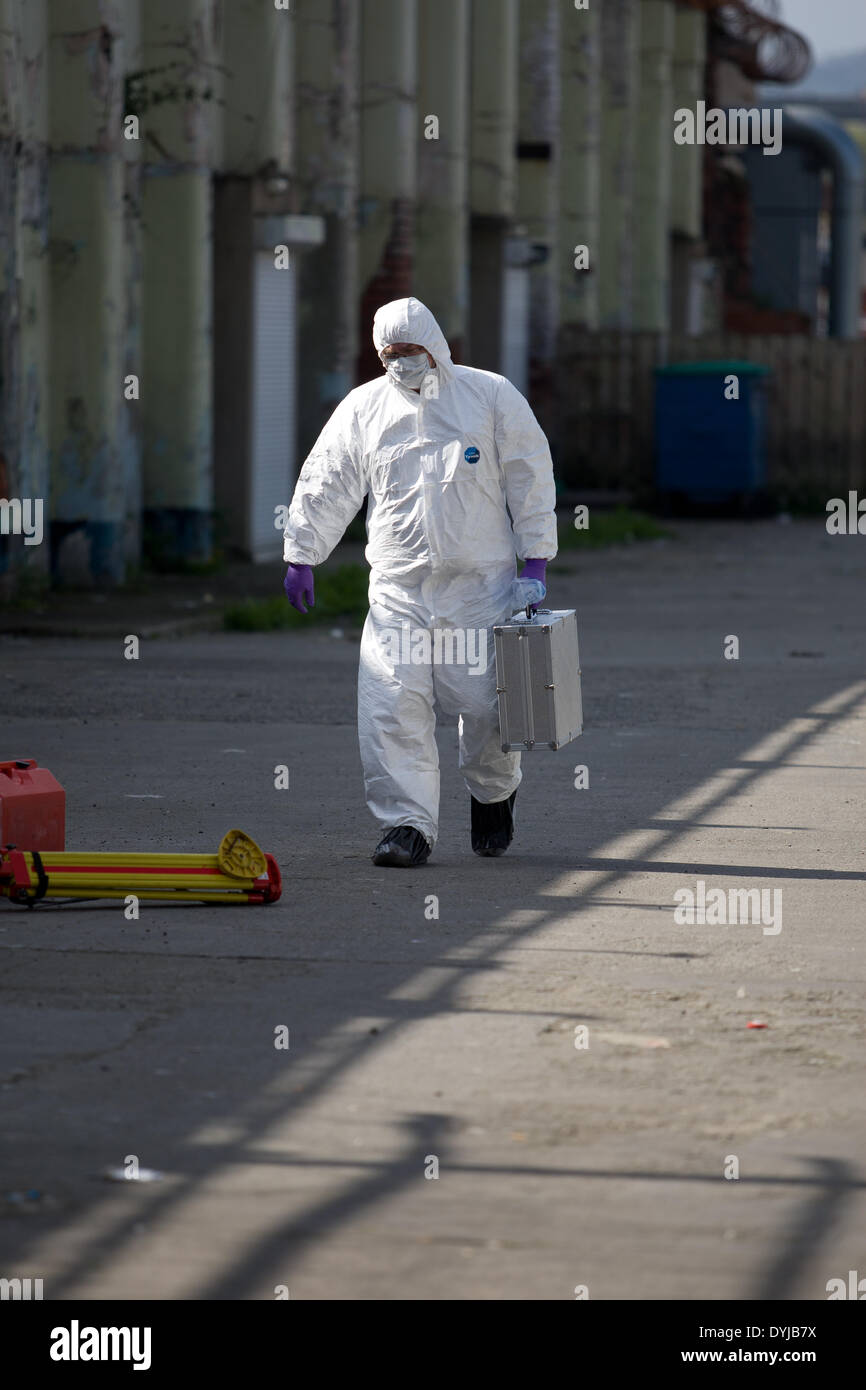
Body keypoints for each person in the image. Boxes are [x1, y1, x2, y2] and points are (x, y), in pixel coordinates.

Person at [282, 296, 557, 867]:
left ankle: (493, 794)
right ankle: (407, 825)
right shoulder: (365, 409)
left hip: (480, 588)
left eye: (409, 351)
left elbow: (529, 472)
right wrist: (302, 552)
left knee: (486, 709)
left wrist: (535, 560)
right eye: (389, 354)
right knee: (392, 705)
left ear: (434, 345)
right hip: (399, 591)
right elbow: (330, 478)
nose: (401, 363)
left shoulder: (489, 395)